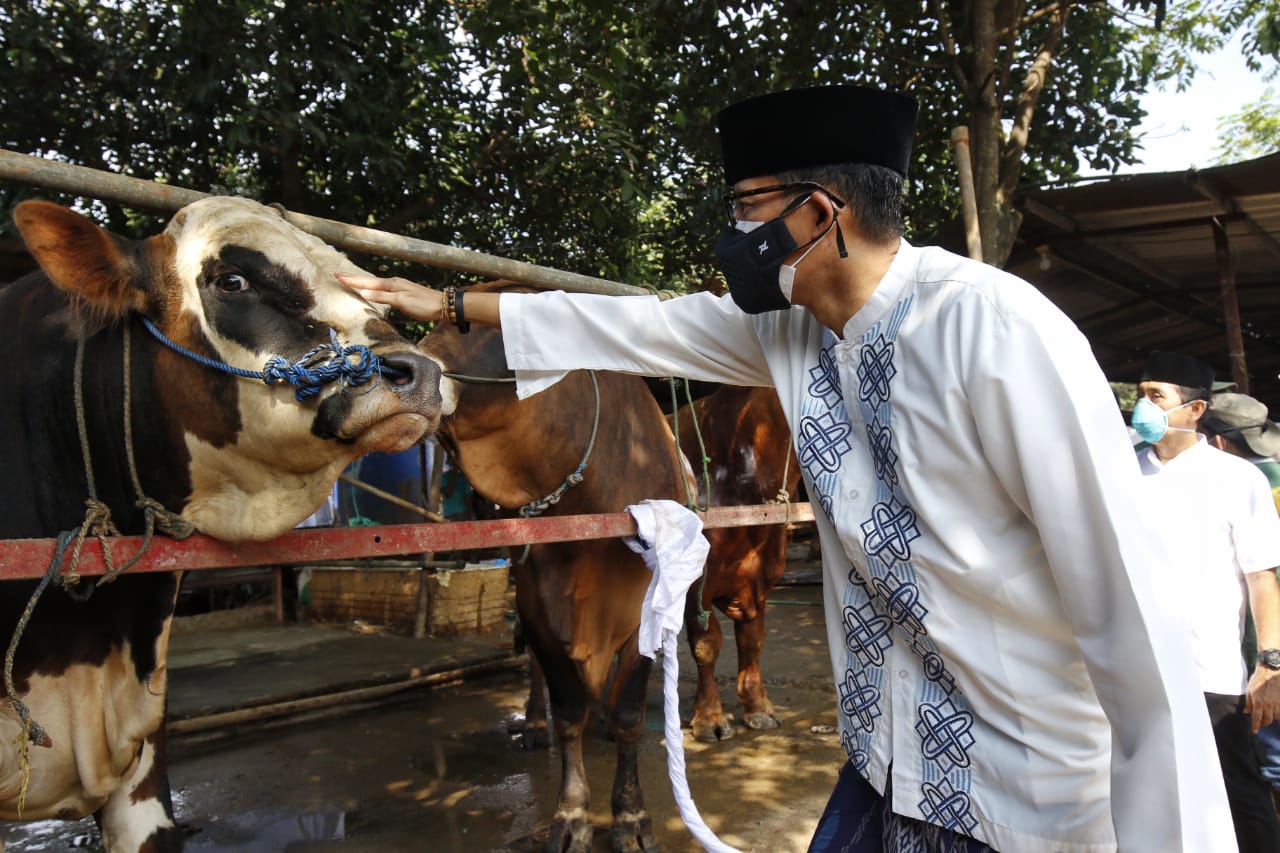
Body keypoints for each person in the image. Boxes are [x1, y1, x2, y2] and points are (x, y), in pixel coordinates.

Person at [342, 84, 1231, 851]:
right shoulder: (788, 329)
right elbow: (634, 325)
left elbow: (1132, 622)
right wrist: (450, 300)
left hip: (1022, 788)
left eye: (746, 207)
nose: (733, 233)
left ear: (818, 212)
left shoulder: (995, 331)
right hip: (885, 762)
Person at [1134, 353, 1280, 851]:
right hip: (1138, 671)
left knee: (1238, 798)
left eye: (1156, 395)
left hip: (1211, 674)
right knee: (1153, 798)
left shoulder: (1238, 479)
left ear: (1195, 410)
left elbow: (1261, 577)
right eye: (1140, 393)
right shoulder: (1119, 471)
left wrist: (1270, 665)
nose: (1142, 406)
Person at [1201, 391, 1280, 813]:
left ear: (1216, 440)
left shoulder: (1238, 483)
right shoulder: (1268, 475)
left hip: (1258, 646)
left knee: (1260, 765)